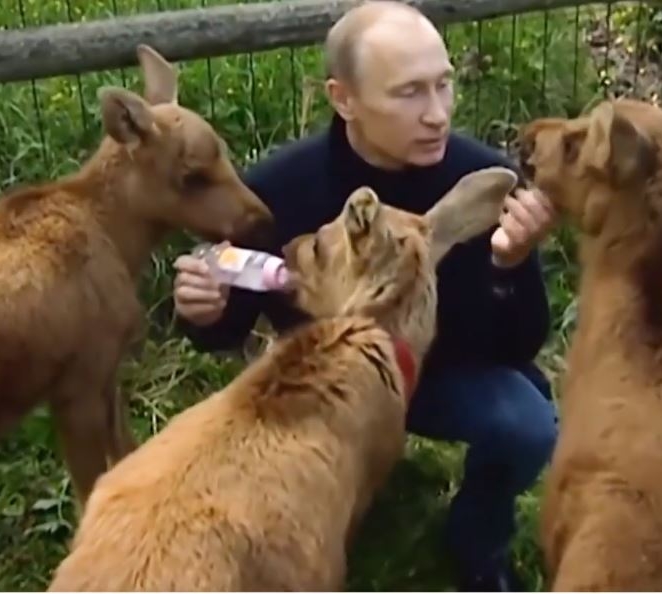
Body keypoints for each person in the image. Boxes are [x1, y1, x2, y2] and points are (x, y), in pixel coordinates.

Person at [172, 1, 558, 590]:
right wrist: (205, 310)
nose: (436, 114)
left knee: (529, 420)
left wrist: (509, 265)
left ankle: (477, 538)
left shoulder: (480, 177)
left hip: (436, 378)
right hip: (322, 389)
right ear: (343, 98)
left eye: (444, 85)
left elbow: (519, 343)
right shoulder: (279, 189)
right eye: (409, 94)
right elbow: (226, 325)